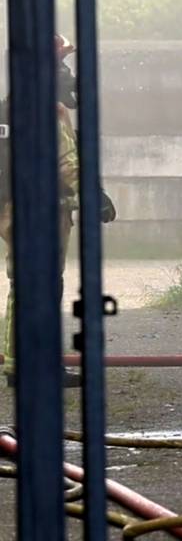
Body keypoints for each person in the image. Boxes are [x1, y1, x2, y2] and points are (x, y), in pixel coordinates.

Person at [2, 35, 117, 388]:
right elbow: (66, 163)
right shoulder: (47, 110)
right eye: (61, 65)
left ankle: (17, 363)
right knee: (45, 285)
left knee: (23, 284)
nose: (68, 74)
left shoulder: (10, 107)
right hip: (44, 211)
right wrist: (94, 196)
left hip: (12, 209)